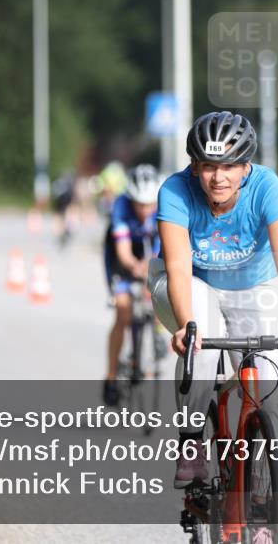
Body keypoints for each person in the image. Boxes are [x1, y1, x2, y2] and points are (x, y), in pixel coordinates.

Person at [147, 111, 278, 493]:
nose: (219, 177)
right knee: (201, 330)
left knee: (268, 396)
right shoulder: (176, 191)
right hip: (190, 286)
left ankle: (263, 501)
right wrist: (186, 325)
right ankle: (192, 441)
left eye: (230, 166)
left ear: (247, 166)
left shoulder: (269, 187)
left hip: (253, 289)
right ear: (194, 166)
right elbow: (179, 268)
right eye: (209, 166)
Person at [102, 164, 163, 406]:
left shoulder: (162, 208)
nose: (144, 209)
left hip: (150, 251)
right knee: (123, 313)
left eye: (149, 204)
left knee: (162, 290)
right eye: (140, 203)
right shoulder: (121, 207)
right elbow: (123, 251)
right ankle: (111, 376)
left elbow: (162, 249)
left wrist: (151, 271)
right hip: (119, 258)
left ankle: (158, 332)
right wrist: (133, 266)